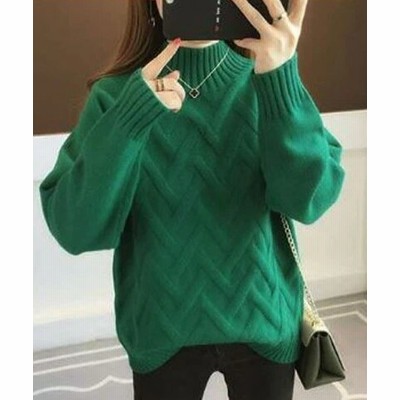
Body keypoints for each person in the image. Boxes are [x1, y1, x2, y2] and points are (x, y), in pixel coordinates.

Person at [39, 0, 345, 399]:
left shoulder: (268, 79)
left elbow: (309, 200)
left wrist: (281, 77)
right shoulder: (117, 97)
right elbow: (74, 229)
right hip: (160, 329)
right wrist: (131, 118)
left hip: (265, 320)